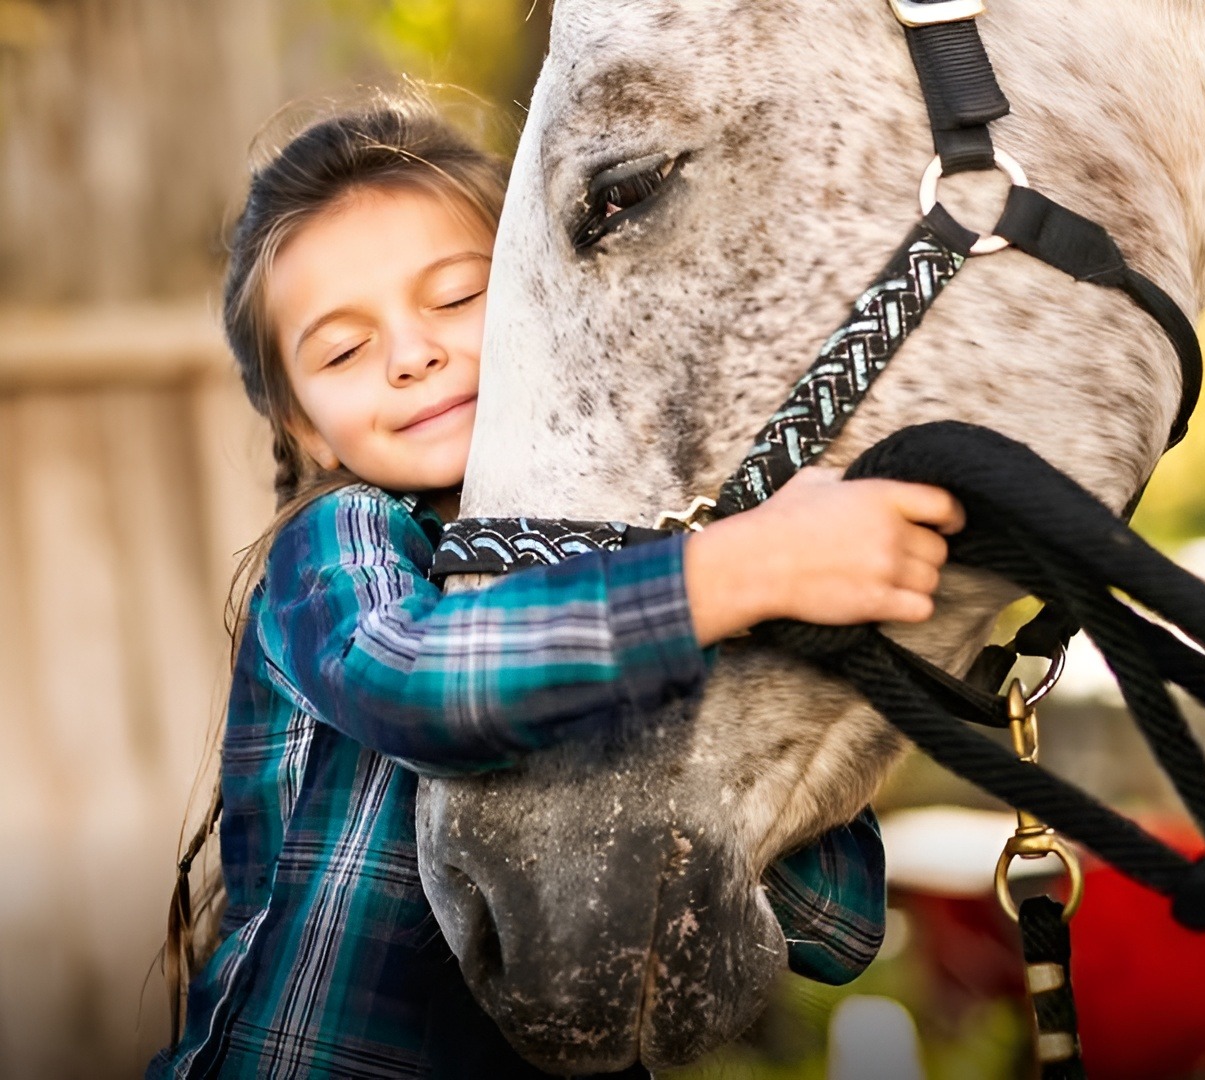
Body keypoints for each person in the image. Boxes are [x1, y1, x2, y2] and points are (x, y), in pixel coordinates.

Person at [148, 91, 964, 1079]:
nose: (413, 356)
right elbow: (413, 679)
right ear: (307, 430)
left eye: (456, 298)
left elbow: (835, 922)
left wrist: (775, 629)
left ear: (548, 307)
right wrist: (738, 573)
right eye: (346, 350)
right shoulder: (341, 543)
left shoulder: (636, 572)